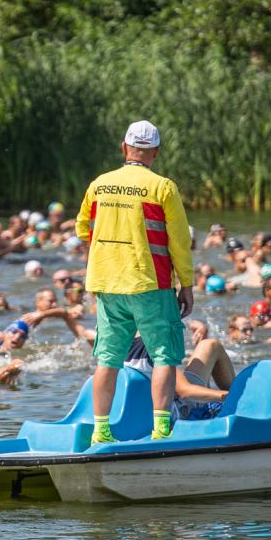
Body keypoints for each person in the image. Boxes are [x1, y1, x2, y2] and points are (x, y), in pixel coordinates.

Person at [76, 120, 193, 442]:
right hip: (150, 282)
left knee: (108, 360)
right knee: (164, 357)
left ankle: (101, 431)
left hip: (107, 282)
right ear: (156, 152)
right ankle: (161, 430)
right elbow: (179, 241)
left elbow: (82, 228)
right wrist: (187, 284)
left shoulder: (99, 184)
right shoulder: (163, 187)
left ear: (124, 147)